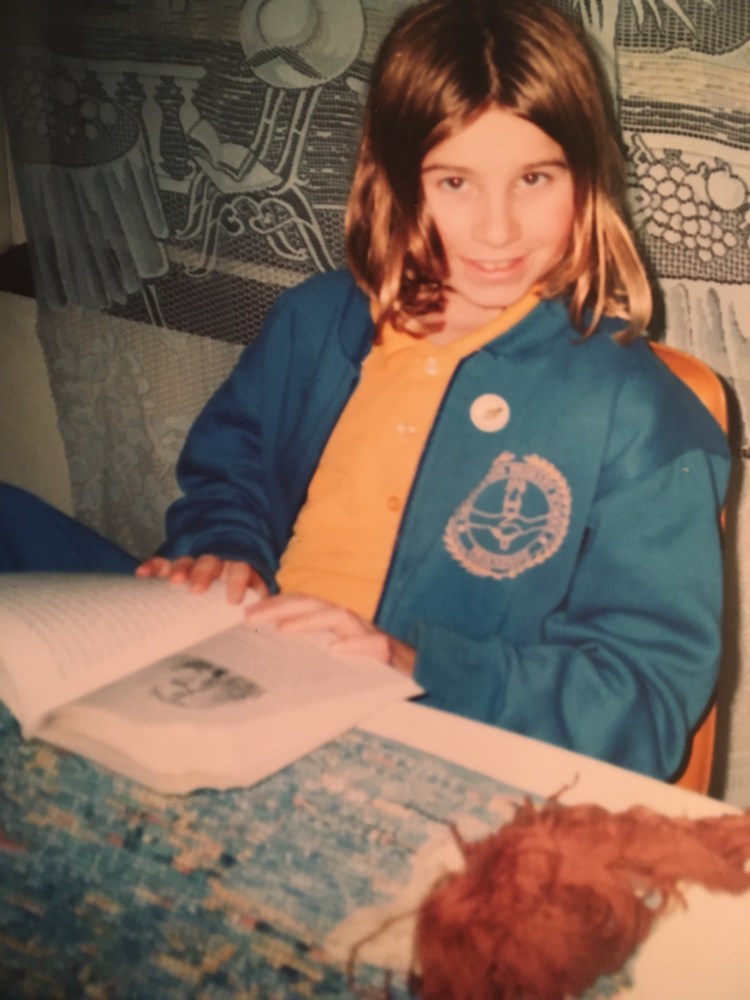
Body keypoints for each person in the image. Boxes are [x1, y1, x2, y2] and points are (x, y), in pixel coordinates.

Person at [0, 0, 729, 780]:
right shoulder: (317, 319)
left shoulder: (641, 414)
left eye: (534, 178)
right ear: (394, 177)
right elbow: (229, 471)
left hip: (417, 740)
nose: (497, 230)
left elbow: (644, 701)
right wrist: (224, 553)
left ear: (587, 176)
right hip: (238, 667)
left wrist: (408, 661)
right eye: (454, 181)